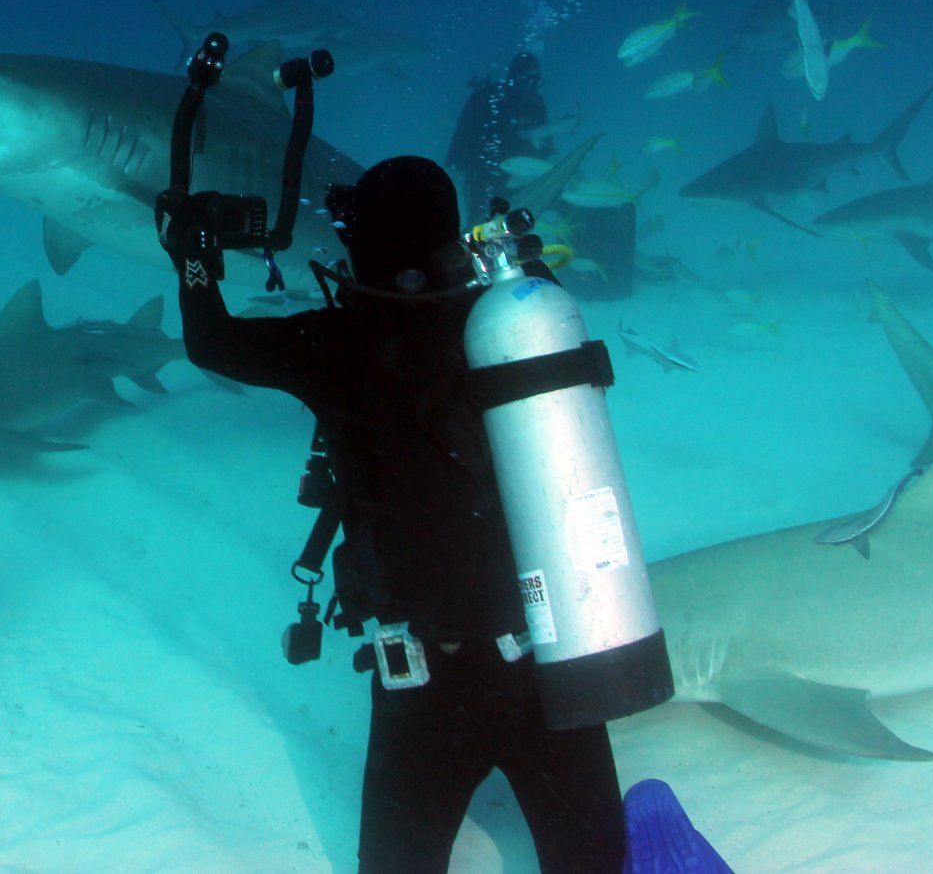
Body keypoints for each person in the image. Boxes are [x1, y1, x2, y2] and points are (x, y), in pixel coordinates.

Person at [158, 156, 625, 874]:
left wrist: (193, 254)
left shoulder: (335, 345)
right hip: (548, 662)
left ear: (358, 241)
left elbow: (211, 342)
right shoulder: (513, 326)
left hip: (424, 687)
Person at [444, 51, 548, 214]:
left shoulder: (536, 103)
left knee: (515, 227)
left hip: (521, 175)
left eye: (537, 80)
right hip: (482, 173)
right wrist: (453, 167)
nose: (533, 84)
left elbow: (545, 138)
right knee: (481, 224)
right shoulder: (486, 97)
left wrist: (544, 168)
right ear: (516, 77)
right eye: (529, 78)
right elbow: (462, 133)